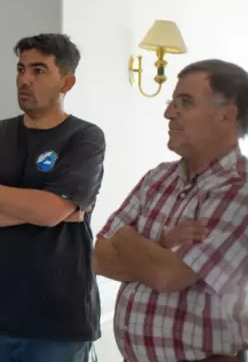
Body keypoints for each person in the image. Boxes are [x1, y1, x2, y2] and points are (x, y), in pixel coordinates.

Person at [0, 33, 105, 362]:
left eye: (39, 70)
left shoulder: (84, 137)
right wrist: (52, 210)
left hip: (59, 323)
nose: (25, 79)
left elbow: (48, 212)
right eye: (21, 69)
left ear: (67, 82)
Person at [94, 59, 248, 362]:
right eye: (171, 102)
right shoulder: (157, 178)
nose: (168, 113)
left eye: (185, 102)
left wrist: (124, 235)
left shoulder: (240, 192)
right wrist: (162, 245)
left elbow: (166, 275)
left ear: (226, 116)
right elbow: (98, 257)